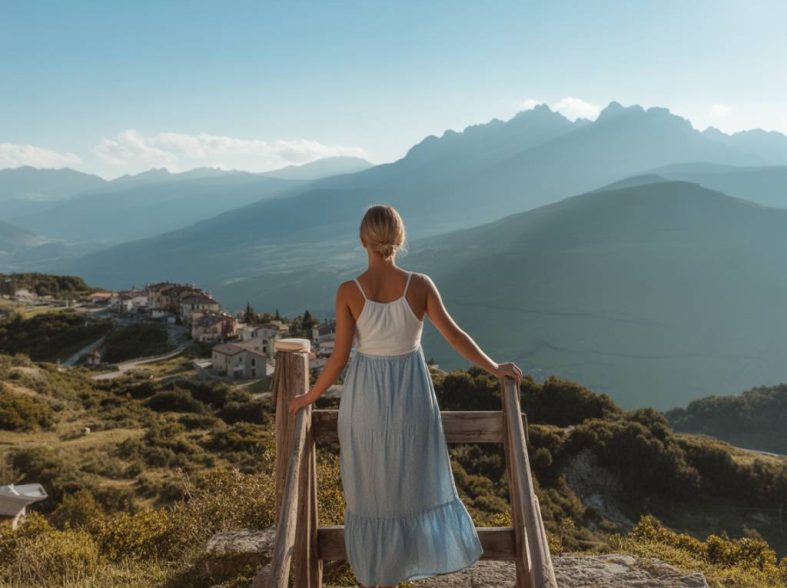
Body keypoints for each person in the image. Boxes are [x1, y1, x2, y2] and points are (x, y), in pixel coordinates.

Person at [289, 204, 523, 587]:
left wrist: (309, 396)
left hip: (365, 400)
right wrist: (494, 368)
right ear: (399, 238)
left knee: (373, 494)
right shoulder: (421, 285)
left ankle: (379, 573)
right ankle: (413, 562)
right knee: (414, 485)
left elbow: (340, 357)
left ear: (363, 240)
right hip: (412, 397)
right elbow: (456, 336)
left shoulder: (349, 290)